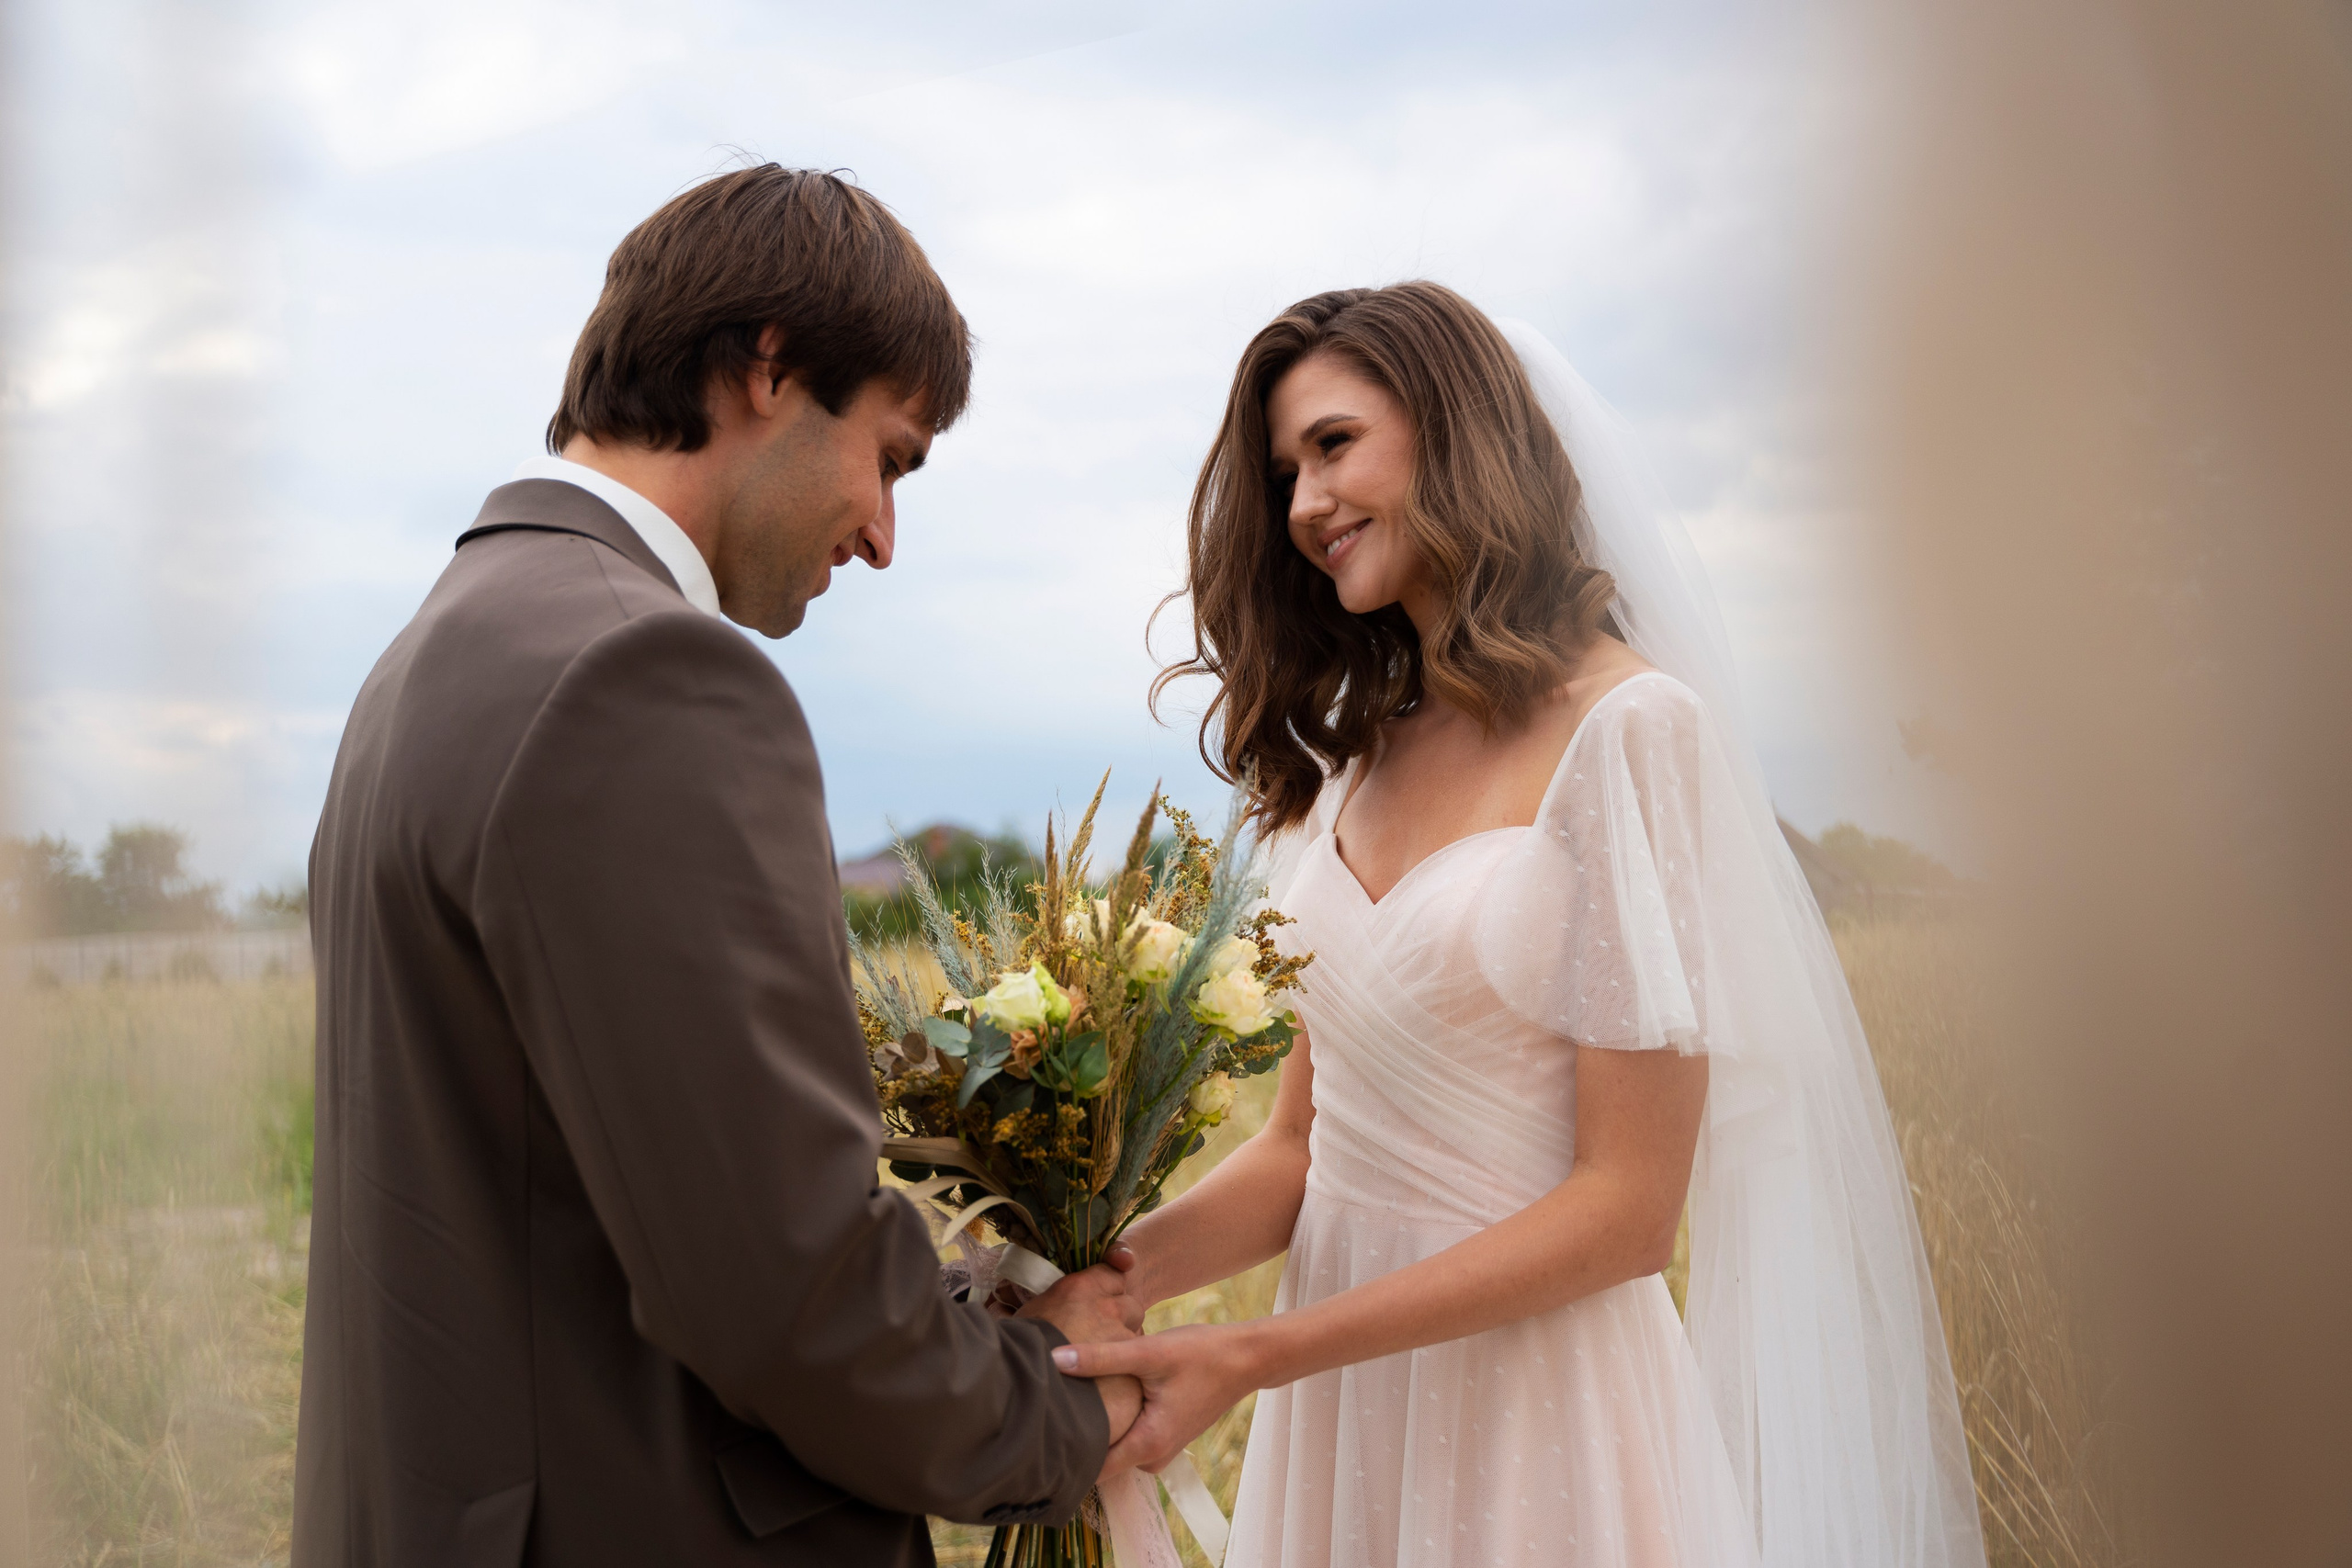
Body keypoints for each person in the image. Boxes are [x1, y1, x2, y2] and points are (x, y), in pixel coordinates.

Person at [1054, 283, 1986, 1567]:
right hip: (1347, 1411)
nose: (1304, 505)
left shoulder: (1630, 731)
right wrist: (1104, 1280)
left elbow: (1628, 1211)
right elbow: (1301, 1151)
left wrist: (1254, 1352)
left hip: (1543, 1422)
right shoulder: (1354, 763)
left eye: (1333, 445)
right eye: (1284, 472)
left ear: (1455, 432)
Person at [294, 165, 1137, 1568]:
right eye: (893, 454)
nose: (880, 533)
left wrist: (958, 1301)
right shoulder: (643, 674)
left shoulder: (437, 653)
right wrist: (1054, 1409)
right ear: (770, 368)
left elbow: (599, 1191)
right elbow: (781, 1288)